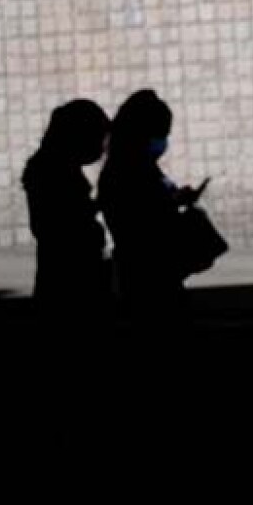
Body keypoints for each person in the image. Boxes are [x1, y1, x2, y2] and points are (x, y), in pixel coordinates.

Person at [97, 88, 211, 327]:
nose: (162, 141)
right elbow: (139, 219)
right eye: (158, 134)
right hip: (145, 272)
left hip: (154, 271)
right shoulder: (125, 172)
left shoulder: (139, 167)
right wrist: (173, 203)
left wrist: (175, 199)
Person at [22, 98, 111, 314]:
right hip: (69, 268)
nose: (100, 148)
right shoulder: (53, 170)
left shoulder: (53, 165)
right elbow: (63, 220)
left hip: (65, 265)